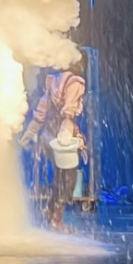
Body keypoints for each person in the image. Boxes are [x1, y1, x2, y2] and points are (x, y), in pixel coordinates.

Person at [19, 51, 88, 232]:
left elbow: (40, 114)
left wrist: (26, 137)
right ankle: (56, 219)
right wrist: (66, 136)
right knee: (68, 179)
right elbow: (68, 113)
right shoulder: (76, 83)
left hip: (48, 136)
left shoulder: (54, 80)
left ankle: (50, 214)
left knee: (60, 177)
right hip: (61, 138)